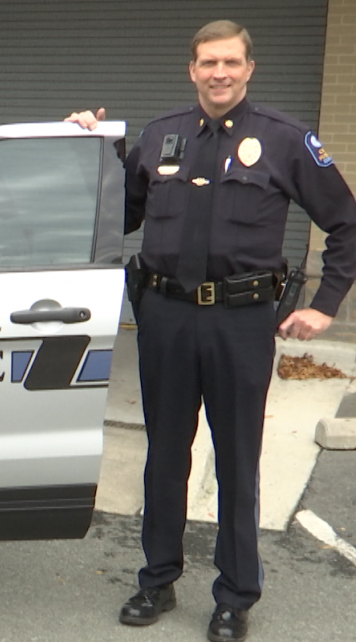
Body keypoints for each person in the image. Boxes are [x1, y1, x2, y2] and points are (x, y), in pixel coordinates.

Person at [67, 20, 356, 642]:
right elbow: (122, 214)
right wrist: (94, 150)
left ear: (249, 68)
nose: (218, 73)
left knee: (237, 459)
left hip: (241, 321)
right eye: (207, 63)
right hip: (165, 316)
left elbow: (346, 223)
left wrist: (326, 303)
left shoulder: (283, 140)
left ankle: (235, 595)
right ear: (192, 70)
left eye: (230, 62)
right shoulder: (159, 135)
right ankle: (157, 579)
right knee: (165, 455)